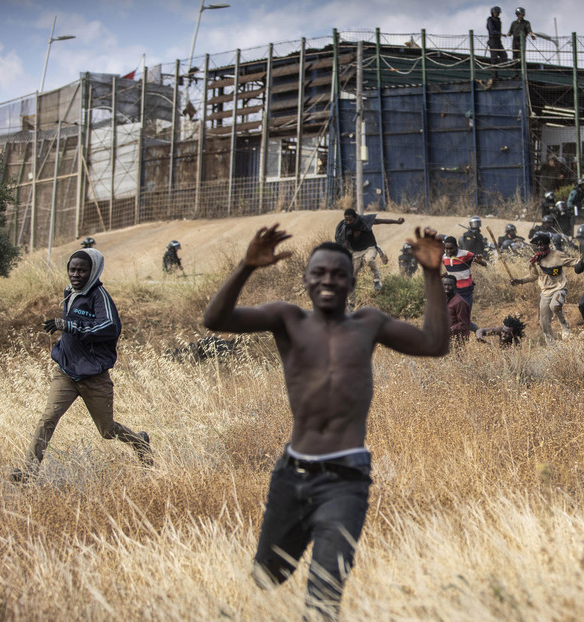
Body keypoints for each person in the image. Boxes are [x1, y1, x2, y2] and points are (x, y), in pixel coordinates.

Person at [202, 225, 449, 622]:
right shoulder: (287, 320)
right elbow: (215, 320)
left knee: (325, 591)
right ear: (306, 280)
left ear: (352, 281)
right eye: (319, 273)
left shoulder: (368, 324)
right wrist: (246, 267)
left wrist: (432, 274)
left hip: (346, 479)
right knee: (267, 575)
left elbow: (435, 345)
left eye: (337, 273)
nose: (328, 281)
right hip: (292, 474)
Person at [12, 249, 152, 482]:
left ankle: (139, 442)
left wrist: (70, 326)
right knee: (48, 419)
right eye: (72, 269)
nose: (75, 274)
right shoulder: (70, 292)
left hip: (94, 376)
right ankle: (29, 471)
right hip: (66, 372)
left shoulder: (100, 297)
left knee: (107, 431)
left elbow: (109, 327)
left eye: (81, 270)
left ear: (93, 271)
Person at [510, 232, 579, 344]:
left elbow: (573, 262)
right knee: (543, 321)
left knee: (555, 306)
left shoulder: (557, 255)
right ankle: (551, 343)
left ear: (548, 244)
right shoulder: (535, 260)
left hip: (559, 287)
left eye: (543, 244)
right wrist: (520, 281)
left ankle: (564, 325)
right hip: (545, 292)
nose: (541, 247)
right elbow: (533, 275)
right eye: (538, 245)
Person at [334, 208, 405, 292]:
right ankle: (351, 303)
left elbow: (380, 221)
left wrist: (396, 222)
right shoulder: (345, 228)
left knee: (369, 259)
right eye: (347, 220)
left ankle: (377, 280)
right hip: (357, 251)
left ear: (355, 217)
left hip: (369, 247)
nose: (348, 222)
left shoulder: (364, 221)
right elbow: (344, 244)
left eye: (350, 220)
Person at [442, 235, 487, 308]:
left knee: (465, 314)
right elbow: (451, 271)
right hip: (452, 291)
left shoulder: (465, 254)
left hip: (465, 290)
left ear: (456, 246)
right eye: (446, 249)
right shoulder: (444, 257)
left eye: (451, 248)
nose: (449, 251)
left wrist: (480, 261)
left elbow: (483, 264)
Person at [444, 274, 472, 343]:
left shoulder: (459, 302)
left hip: (456, 340)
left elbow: (463, 324)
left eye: (450, 285)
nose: (447, 287)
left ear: (455, 286)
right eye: (445, 285)